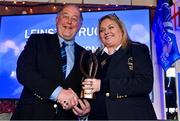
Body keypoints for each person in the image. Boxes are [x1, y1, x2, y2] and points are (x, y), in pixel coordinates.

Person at [11, 4, 90, 120]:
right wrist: (58, 93)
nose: (69, 21)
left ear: (80, 25)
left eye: (75, 18)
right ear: (57, 20)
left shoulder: (86, 55)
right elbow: (24, 72)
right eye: (65, 16)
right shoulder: (38, 41)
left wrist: (83, 112)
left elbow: (82, 91)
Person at [82, 13, 157, 120]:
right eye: (102, 30)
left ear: (121, 29)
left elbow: (145, 83)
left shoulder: (137, 50)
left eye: (111, 27)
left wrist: (103, 85)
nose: (106, 32)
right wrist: (87, 107)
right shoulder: (95, 58)